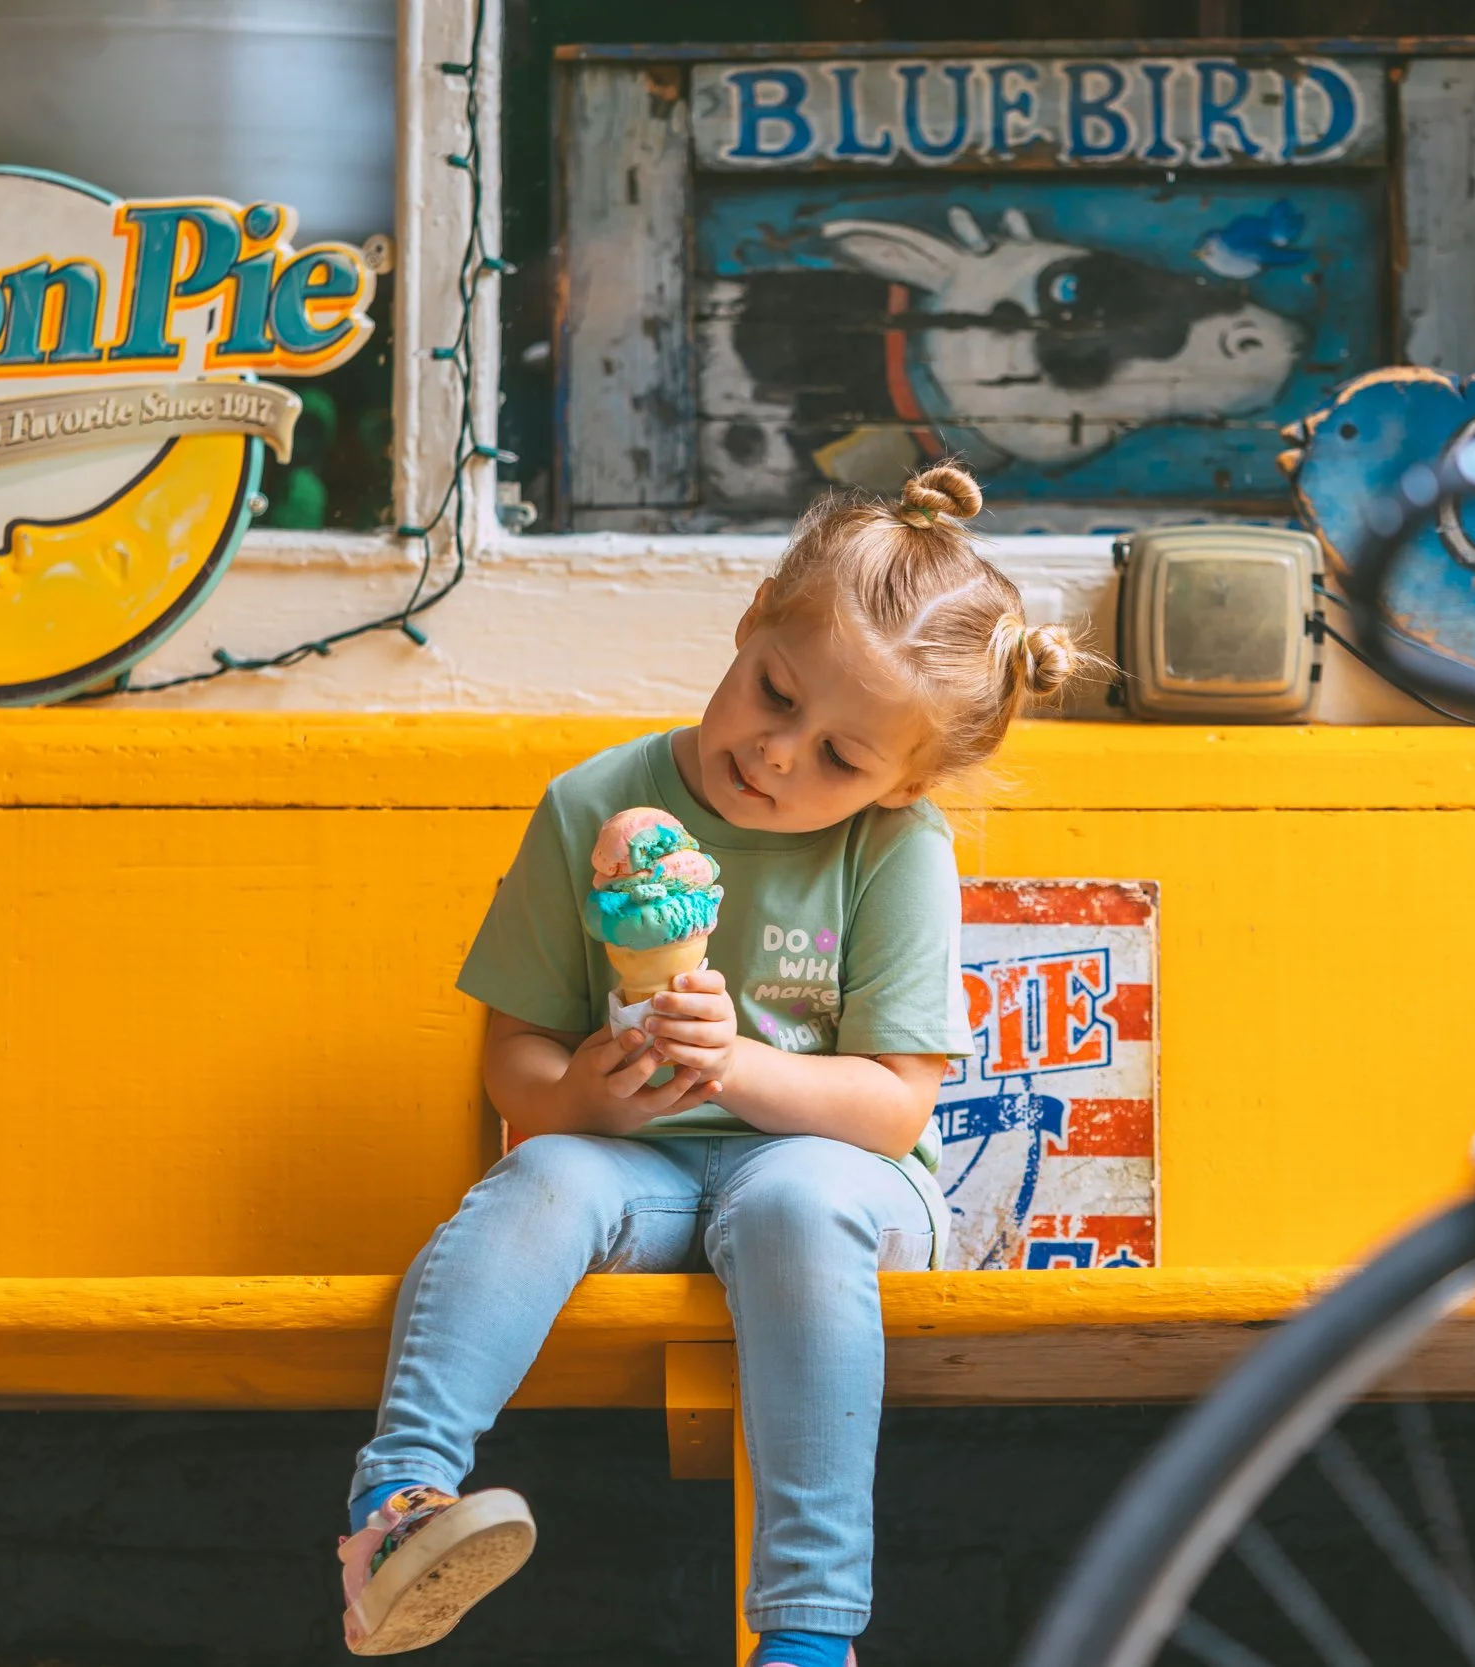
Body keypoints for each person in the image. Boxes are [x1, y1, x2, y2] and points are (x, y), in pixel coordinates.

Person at [339, 463, 1086, 1664]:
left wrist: (736, 1067)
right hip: (642, 1170)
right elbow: (514, 1064)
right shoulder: (595, 804)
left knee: (789, 1195)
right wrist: (578, 1092)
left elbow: (895, 1111)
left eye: (842, 757)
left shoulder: (897, 849)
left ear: (902, 782)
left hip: (837, 1179)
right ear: (748, 625)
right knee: (537, 1181)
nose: (781, 754)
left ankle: (807, 1630)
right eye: (773, 692)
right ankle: (397, 1507)